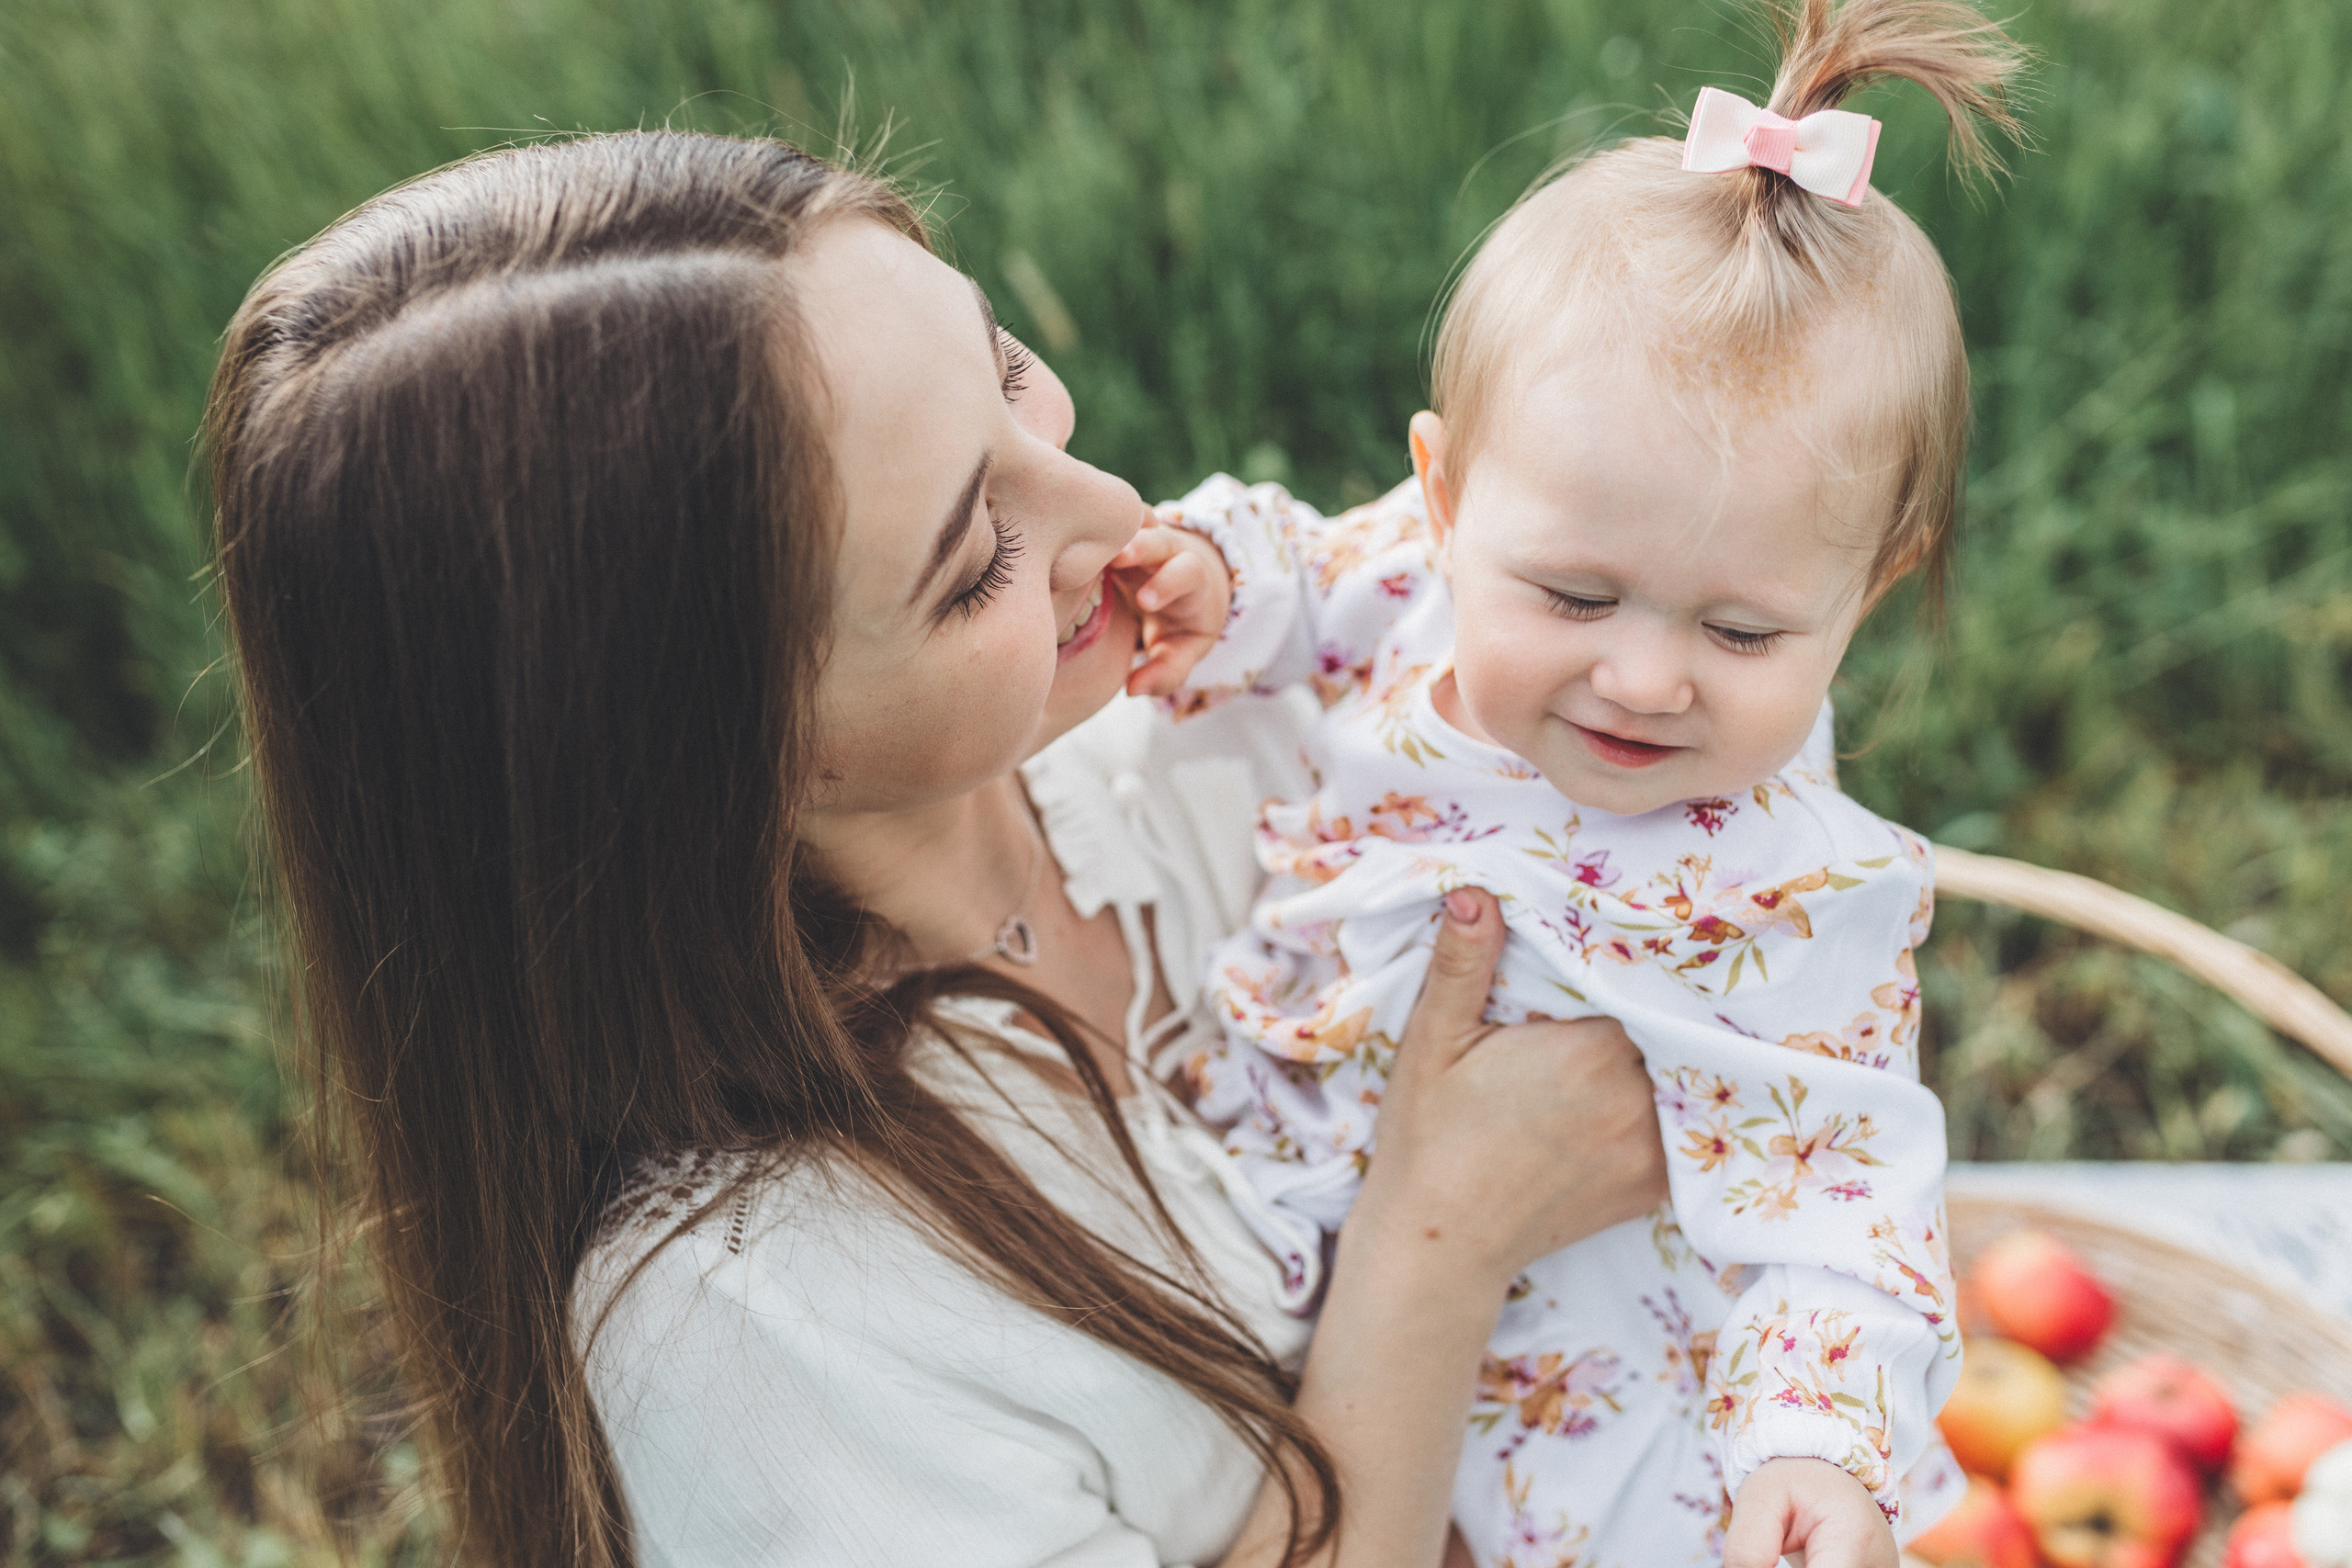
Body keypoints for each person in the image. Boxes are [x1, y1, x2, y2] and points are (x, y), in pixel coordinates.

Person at [202, 130, 1673, 1568]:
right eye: (976, 565)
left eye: (1007, 372)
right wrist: (1439, 1248)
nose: (1112, 510)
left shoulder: (1221, 723)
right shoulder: (756, 1325)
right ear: (713, 764)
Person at [1108, 2, 2025, 1563]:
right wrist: (1213, 572)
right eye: (1577, 599)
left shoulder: (1793, 891)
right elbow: (1304, 570)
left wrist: (1814, 1451)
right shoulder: (1409, 589)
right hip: (1301, 1316)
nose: (1646, 677)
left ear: (1866, 596)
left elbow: (1853, 1193)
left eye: (1742, 630)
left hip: (1600, 1439)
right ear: (1445, 496)